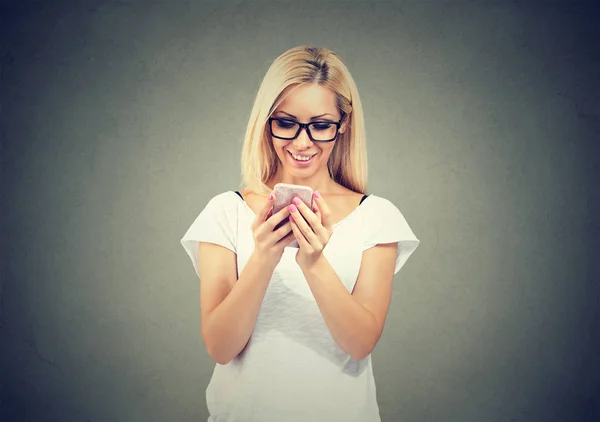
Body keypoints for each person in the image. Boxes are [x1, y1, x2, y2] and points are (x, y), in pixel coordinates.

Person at [180, 46, 420, 422]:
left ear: (343, 125)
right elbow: (220, 347)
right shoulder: (225, 212)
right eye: (286, 123)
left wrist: (313, 262)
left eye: (321, 125)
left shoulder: (377, 216)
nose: (303, 142)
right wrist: (263, 257)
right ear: (266, 122)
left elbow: (360, 344)